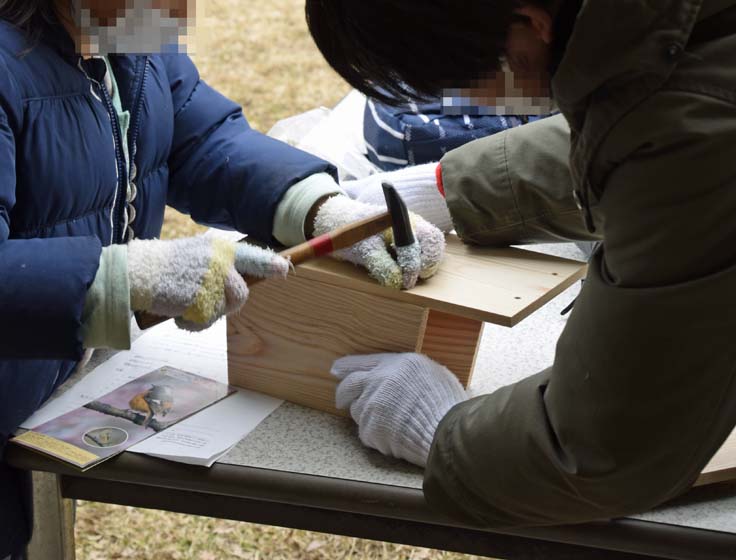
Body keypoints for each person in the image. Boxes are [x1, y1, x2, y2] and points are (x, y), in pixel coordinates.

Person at [306, 0, 736, 528]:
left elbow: (604, 450)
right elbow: (657, 111)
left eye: (463, 79)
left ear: (531, 22)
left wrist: (438, 427)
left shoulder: (721, 124)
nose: (468, 100)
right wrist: (446, 190)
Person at [0, 1, 445, 556]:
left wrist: (317, 208)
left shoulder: (125, 38)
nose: (179, 9)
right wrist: (120, 281)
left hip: (40, 384)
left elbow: (199, 140)